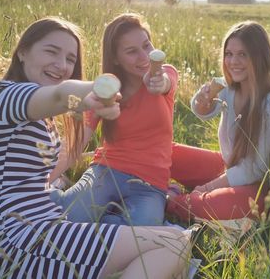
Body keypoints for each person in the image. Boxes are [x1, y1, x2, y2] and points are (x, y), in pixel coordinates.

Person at [0, 17, 189, 278]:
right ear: (22, 51)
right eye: (51, 51)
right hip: (21, 244)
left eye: (70, 59)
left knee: (173, 242)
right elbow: (59, 95)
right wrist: (93, 93)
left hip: (42, 230)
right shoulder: (2, 95)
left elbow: (40, 167)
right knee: (175, 243)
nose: (62, 65)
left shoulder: (39, 119)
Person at [50, 13, 177, 226]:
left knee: (140, 231)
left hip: (150, 184)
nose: (144, 57)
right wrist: (43, 179)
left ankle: (103, 222)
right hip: (106, 172)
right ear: (116, 58)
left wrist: (158, 81)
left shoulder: (165, 75)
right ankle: (56, 193)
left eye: (147, 46)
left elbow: (164, 82)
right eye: (131, 51)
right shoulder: (105, 90)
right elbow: (78, 142)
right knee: (69, 217)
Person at [166, 21, 270, 221]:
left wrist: (208, 188)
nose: (233, 61)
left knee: (202, 204)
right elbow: (200, 109)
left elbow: (256, 169)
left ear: (259, 57)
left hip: (257, 188)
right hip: (227, 165)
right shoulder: (229, 88)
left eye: (242, 54)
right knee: (167, 152)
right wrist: (203, 103)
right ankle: (173, 190)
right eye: (229, 54)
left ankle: (173, 200)